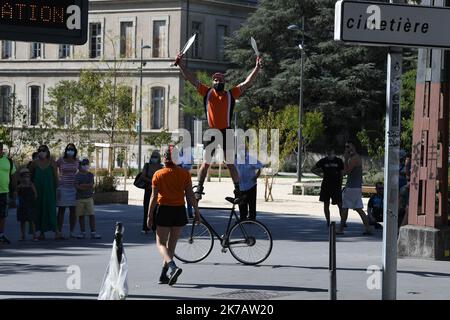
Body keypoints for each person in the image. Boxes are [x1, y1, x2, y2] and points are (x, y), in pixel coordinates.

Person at [177, 52, 262, 202]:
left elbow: (247, 83)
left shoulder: (231, 93)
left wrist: (257, 68)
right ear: (212, 82)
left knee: (230, 163)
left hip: (226, 131)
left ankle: (238, 190)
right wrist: (182, 65)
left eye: (220, 79)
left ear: (224, 81)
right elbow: (192, 79)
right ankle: (199, 189)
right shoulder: (207, 92)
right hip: (212, 132)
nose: (217, 81)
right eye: (215, 79)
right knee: (205, 163)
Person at [147, 149, 200, 286]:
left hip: (164, 209)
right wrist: (197, 212)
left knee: (160, 244)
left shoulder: (158, 174)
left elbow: (153, 197)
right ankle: (163, 275)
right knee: (171, 246)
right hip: (179, 211)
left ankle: (172, 266)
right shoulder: (184, 174)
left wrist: (149, 215)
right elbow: (190, 195)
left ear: (164, 158)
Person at [338, 141, 373, 235]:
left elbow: (347, 172)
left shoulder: (354, 159)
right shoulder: (354, 157)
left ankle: (341, 229)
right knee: (358, 208)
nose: (347, 149)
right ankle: (368, 228)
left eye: (348, 146)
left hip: (352, 187)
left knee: (345, 207)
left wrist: (345, 159)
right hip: (355, 187)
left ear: (354, 147)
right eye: (346, 147)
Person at [30, 145, 58, 240]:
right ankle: (41, 233)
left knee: (51, 210)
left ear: (47, 152)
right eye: (40, 150)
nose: (42, 152)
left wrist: (57, 190)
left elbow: (56, 178)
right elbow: (30, 177)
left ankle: (56, 232)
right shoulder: (34, 163)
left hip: (49, 191)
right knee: (39, 210)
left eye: (44, 150)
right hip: (37, 191)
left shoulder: (52, 163)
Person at [311, 148, 345, 227]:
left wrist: (341, 182)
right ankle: (327, 221)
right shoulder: (323, 161)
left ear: (334, 152)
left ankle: (343, 221)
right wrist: (320, 175)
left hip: (336, 186)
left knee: (340, 204)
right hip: (326, 185)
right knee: (326, 204)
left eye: (331, 151)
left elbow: (342, 173)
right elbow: (312, 169)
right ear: (326, 152)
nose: (329, 153)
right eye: (328, 152)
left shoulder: (339, 161)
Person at [56, 143, 79, 239]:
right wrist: (56, 180)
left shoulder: (77, 161)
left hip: (73, 188)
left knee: (73, 211)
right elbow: (53, 167)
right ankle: (59, 231)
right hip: (63, 187)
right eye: (69, 149)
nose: (70, 151)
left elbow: (82, 170)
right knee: (61, 210)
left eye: (72, 149)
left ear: (75, 151)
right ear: (65, 150)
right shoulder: (61, 160)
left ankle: (72, 231)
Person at [235, 146, 263, 221]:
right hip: (240, 185)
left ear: (246, 151)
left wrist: (256, 176)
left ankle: (252, 218)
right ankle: (242, 218)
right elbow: (233, 170)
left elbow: (260, 167)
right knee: (241, 202)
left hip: (251, 184)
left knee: (251, 202)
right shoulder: (236, 160)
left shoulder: (251, 159)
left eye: (243, 150)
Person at [74, 158, 101, 239]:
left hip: (89, 198)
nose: (85, 166)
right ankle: (83, 232)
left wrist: (82, 185)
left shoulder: (90, 175)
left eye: (87, 164)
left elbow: (91, 185)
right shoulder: (77, 175)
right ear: (79, 166)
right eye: (83, 164)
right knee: (81, 216)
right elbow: (77, 186)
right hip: (79, 199)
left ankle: (93, 232)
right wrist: (85, 186)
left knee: (91, 215)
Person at [141, 150, 163, 234]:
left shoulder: (161, 167)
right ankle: (145, 227)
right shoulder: (147, 166)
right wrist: (152, 181)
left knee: (156, 209)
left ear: (159, 158)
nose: (154, 158)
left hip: (158, 190)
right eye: (153, 156)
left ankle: (154, 227)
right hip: (149, 189)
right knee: (147, 208)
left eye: (156, 156)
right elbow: (143, 176)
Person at [0, 142, 16, 244]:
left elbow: (13, 175)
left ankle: (1, 235)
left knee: (2, 215)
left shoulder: (8, 161)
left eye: (0, 148)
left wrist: (15, 190)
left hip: (4, 191)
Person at [16, 168, 38, 241]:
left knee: (31, 220)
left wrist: (33, 201)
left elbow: (35, 194)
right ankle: (22, 236)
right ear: (21, 178)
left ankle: (35, 235)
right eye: (24, 177)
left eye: (28, 177)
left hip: (29, 205)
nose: (26, 178)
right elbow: (16, 195)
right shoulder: (20, 186)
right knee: (22, 221)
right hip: (22, 205)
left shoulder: (31, 184)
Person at [178, 146, 194, 219]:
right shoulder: (178, 156)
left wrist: (181, 166)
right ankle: (181, 213)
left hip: (186, 178)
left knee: (189, 196)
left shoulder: (189, 157)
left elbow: (189, 166)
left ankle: (190, 213)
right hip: (179, 178)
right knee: (180, 196)